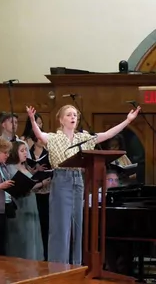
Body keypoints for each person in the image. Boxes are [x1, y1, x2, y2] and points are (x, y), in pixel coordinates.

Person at [26, 104, 140, 265]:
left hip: (78, 179)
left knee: (78, 226)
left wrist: (127, 121)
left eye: (75, 115)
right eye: (69, 115)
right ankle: (58, 266)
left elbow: (107, 134)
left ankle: (75, 265)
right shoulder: (54, 137)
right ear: (61, 119)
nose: (73, 117)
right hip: (62, 179)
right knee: (61, 226)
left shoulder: (83, 138)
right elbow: (40, 134)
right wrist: (32, 119)